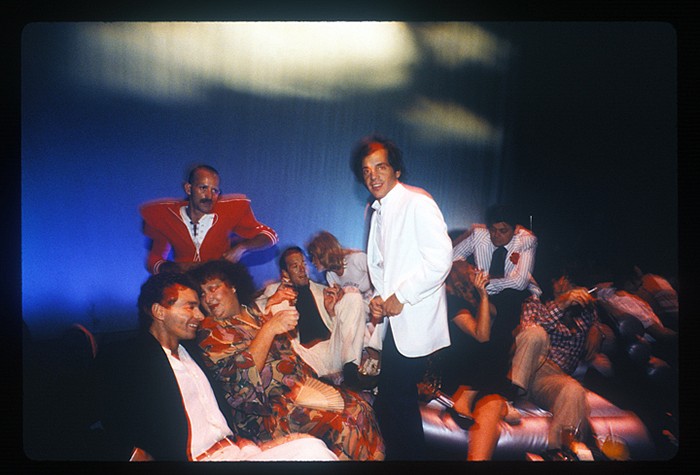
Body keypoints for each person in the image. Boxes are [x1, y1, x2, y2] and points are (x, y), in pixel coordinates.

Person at [96, 272, 337, 461]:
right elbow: (85, 418)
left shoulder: (193, 353)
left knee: (312, 447)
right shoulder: (127, 356)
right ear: (159, 311)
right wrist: (128, 453)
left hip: (237, 451)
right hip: (200, 459)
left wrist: (244, 441)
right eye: (189, 306)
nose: (200, 315)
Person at [189, 259, 385, 461]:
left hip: (299, 392)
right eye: (202, 294)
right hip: (267, 413)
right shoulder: (211, 331)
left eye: (213, 289)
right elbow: (242, 386)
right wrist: (270, 328)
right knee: (343, 424)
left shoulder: (252, 314)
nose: (208, 298)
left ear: (232, 286)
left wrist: (321, 383)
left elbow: (288, 359)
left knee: (361, 408)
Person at [350, 134, 453, 460]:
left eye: (380, 167)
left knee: (396, 400)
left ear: (396, 170)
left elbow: (440, 260)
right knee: (391, 401)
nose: (373, 176)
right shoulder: (376, 210)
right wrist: (380, 298)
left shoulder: (417, 202)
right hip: (394, 322)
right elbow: (383, 266)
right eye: (366, 171)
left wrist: (401, 296)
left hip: (415, 320)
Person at [451, 204, 541, 398]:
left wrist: (485, 283)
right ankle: (482, 386)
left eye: (503, 231)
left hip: (511, 294)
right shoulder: (479, 236)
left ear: (515, 229)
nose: (496, 235)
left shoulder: (526, 240)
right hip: (481, 291)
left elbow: (518, 282)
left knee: (503, 317)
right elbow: (451, 257)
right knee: (474, 321)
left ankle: (490, 388)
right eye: (493, 229)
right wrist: (468, 271)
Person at [510, 273, 606, 450]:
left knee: (574, 390)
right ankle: (511, 393)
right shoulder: (535, 303)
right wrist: (561, 304)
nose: (569, 286)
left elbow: (599, 321)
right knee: (535, 333)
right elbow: (528, 332)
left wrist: (597, 329)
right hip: (531, 366)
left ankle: (561, 452)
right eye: (564, 280)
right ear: (554, 282)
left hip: (553, 379)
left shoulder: (586, 313)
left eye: (573, 282)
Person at [255, 246, 369, 389]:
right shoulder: (274, 291)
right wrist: (273, 299)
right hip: (305, 356)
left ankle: (350, 371)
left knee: (353, 296)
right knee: (278, 306)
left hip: (332, 350)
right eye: (295, 266)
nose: (302, 269)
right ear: (285, 273)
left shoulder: (322, 290)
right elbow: (256, 310)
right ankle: (321, 379)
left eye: (303, 263)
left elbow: (343, 327)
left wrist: (331, 312)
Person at [433, 260, 509, 461]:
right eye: (471, 270)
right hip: (456, 373)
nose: (477, 272)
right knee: (491, 346)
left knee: (492, 403)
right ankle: (469, 396)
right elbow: (482, 335)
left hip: (478, 376)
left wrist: (484, 295)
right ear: (460, 277)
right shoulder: (451, 302)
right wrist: (483, 295)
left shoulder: (475, 303)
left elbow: (497, 321)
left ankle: (495, 401)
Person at [140, 164, 278, 274]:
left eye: (214, 190)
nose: (209, 196)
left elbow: (270, 236)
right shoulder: (166, 215)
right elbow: (154, 259)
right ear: (189, 189)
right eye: (203, 188)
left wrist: (242, 248)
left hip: (217, 286)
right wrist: (172, 268)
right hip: (183, 287)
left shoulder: (229, 212)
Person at [306, 230, 383, 377]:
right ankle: (350, 364)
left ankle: (357, 360)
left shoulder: (357, 260)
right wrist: (333, 308)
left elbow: (382, 279)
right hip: (357, 316)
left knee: (352, 294)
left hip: (376, 310)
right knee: (350, 298)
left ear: (322, 253)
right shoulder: (330, 276)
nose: (312, 262)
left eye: (313, 257)